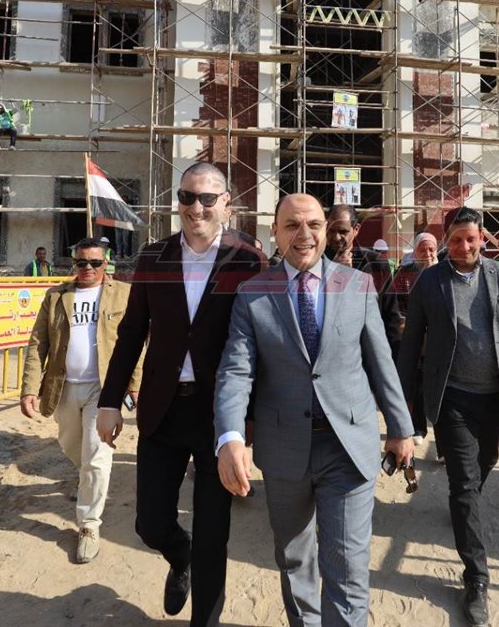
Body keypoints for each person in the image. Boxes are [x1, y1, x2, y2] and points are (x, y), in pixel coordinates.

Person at [215, 193, 414, 627]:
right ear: (275, 232)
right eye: (291, 225)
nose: (303, 234)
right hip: (285, 450)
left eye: (313, 224)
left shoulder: (358, 285)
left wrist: (401, 428)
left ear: (326, 230)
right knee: (294, 560)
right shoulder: (253, 294)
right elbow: (236, 370)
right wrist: (230, 436)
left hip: (348, 446)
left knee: (348, 565)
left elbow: (381, 361)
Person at [96, 162, 266, 626]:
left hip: (219, 416)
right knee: (150, 523)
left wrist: (250, 421)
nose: (196, 208)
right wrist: (110, 400)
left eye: (208, 198)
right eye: (187, 197)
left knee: (214, 534)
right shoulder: (154, 257)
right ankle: (180, 554)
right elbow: (131, 333)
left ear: (226, 203)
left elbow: (262, 344)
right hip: (162, 410)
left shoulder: (248, 260)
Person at [397, 207, 499, 626]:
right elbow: (411, 344)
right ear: (445, 241)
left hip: (497, 398)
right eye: (455, 240)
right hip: (452, 397)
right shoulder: (430, 282)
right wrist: (401, 403)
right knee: (463, 483)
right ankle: (476, 579)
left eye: (470, 239)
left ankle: (464, 505)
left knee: (486, 462)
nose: (463, 247)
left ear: (483, 238)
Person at [21, 239, 140, 563]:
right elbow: (37, 343)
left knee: (97, 456)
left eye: (95, 263)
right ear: (73, 264)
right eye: (81, 262)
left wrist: (134, 384)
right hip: (63, 387)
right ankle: (86, 477)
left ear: (106, 264)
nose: (88, 268)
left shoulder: (123, 294)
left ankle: (89, 525)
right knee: (71, 444)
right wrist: (29, 387)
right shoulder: (56, 296)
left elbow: (137, 341)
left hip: (104, 389)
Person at [324, 203, 400, 354]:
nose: (336, 237)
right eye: (331, 230)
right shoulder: (315, 263)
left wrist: (393, 357)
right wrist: (334, 272)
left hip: (368, 351)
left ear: (356, 230)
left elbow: (390, 315)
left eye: (343, 231)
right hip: (329, 352)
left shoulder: (376, 263)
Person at [389, 232, 439, 446]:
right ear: (415, 251)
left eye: (431, 249)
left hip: (440, 338)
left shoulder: (445, 272)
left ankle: (444, 443)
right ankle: (418, 427)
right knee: (416, 384)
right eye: (422, 249)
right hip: (413, 337)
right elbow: (395, 305)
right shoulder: (404, 274)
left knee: (441, 388)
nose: (427, 254)